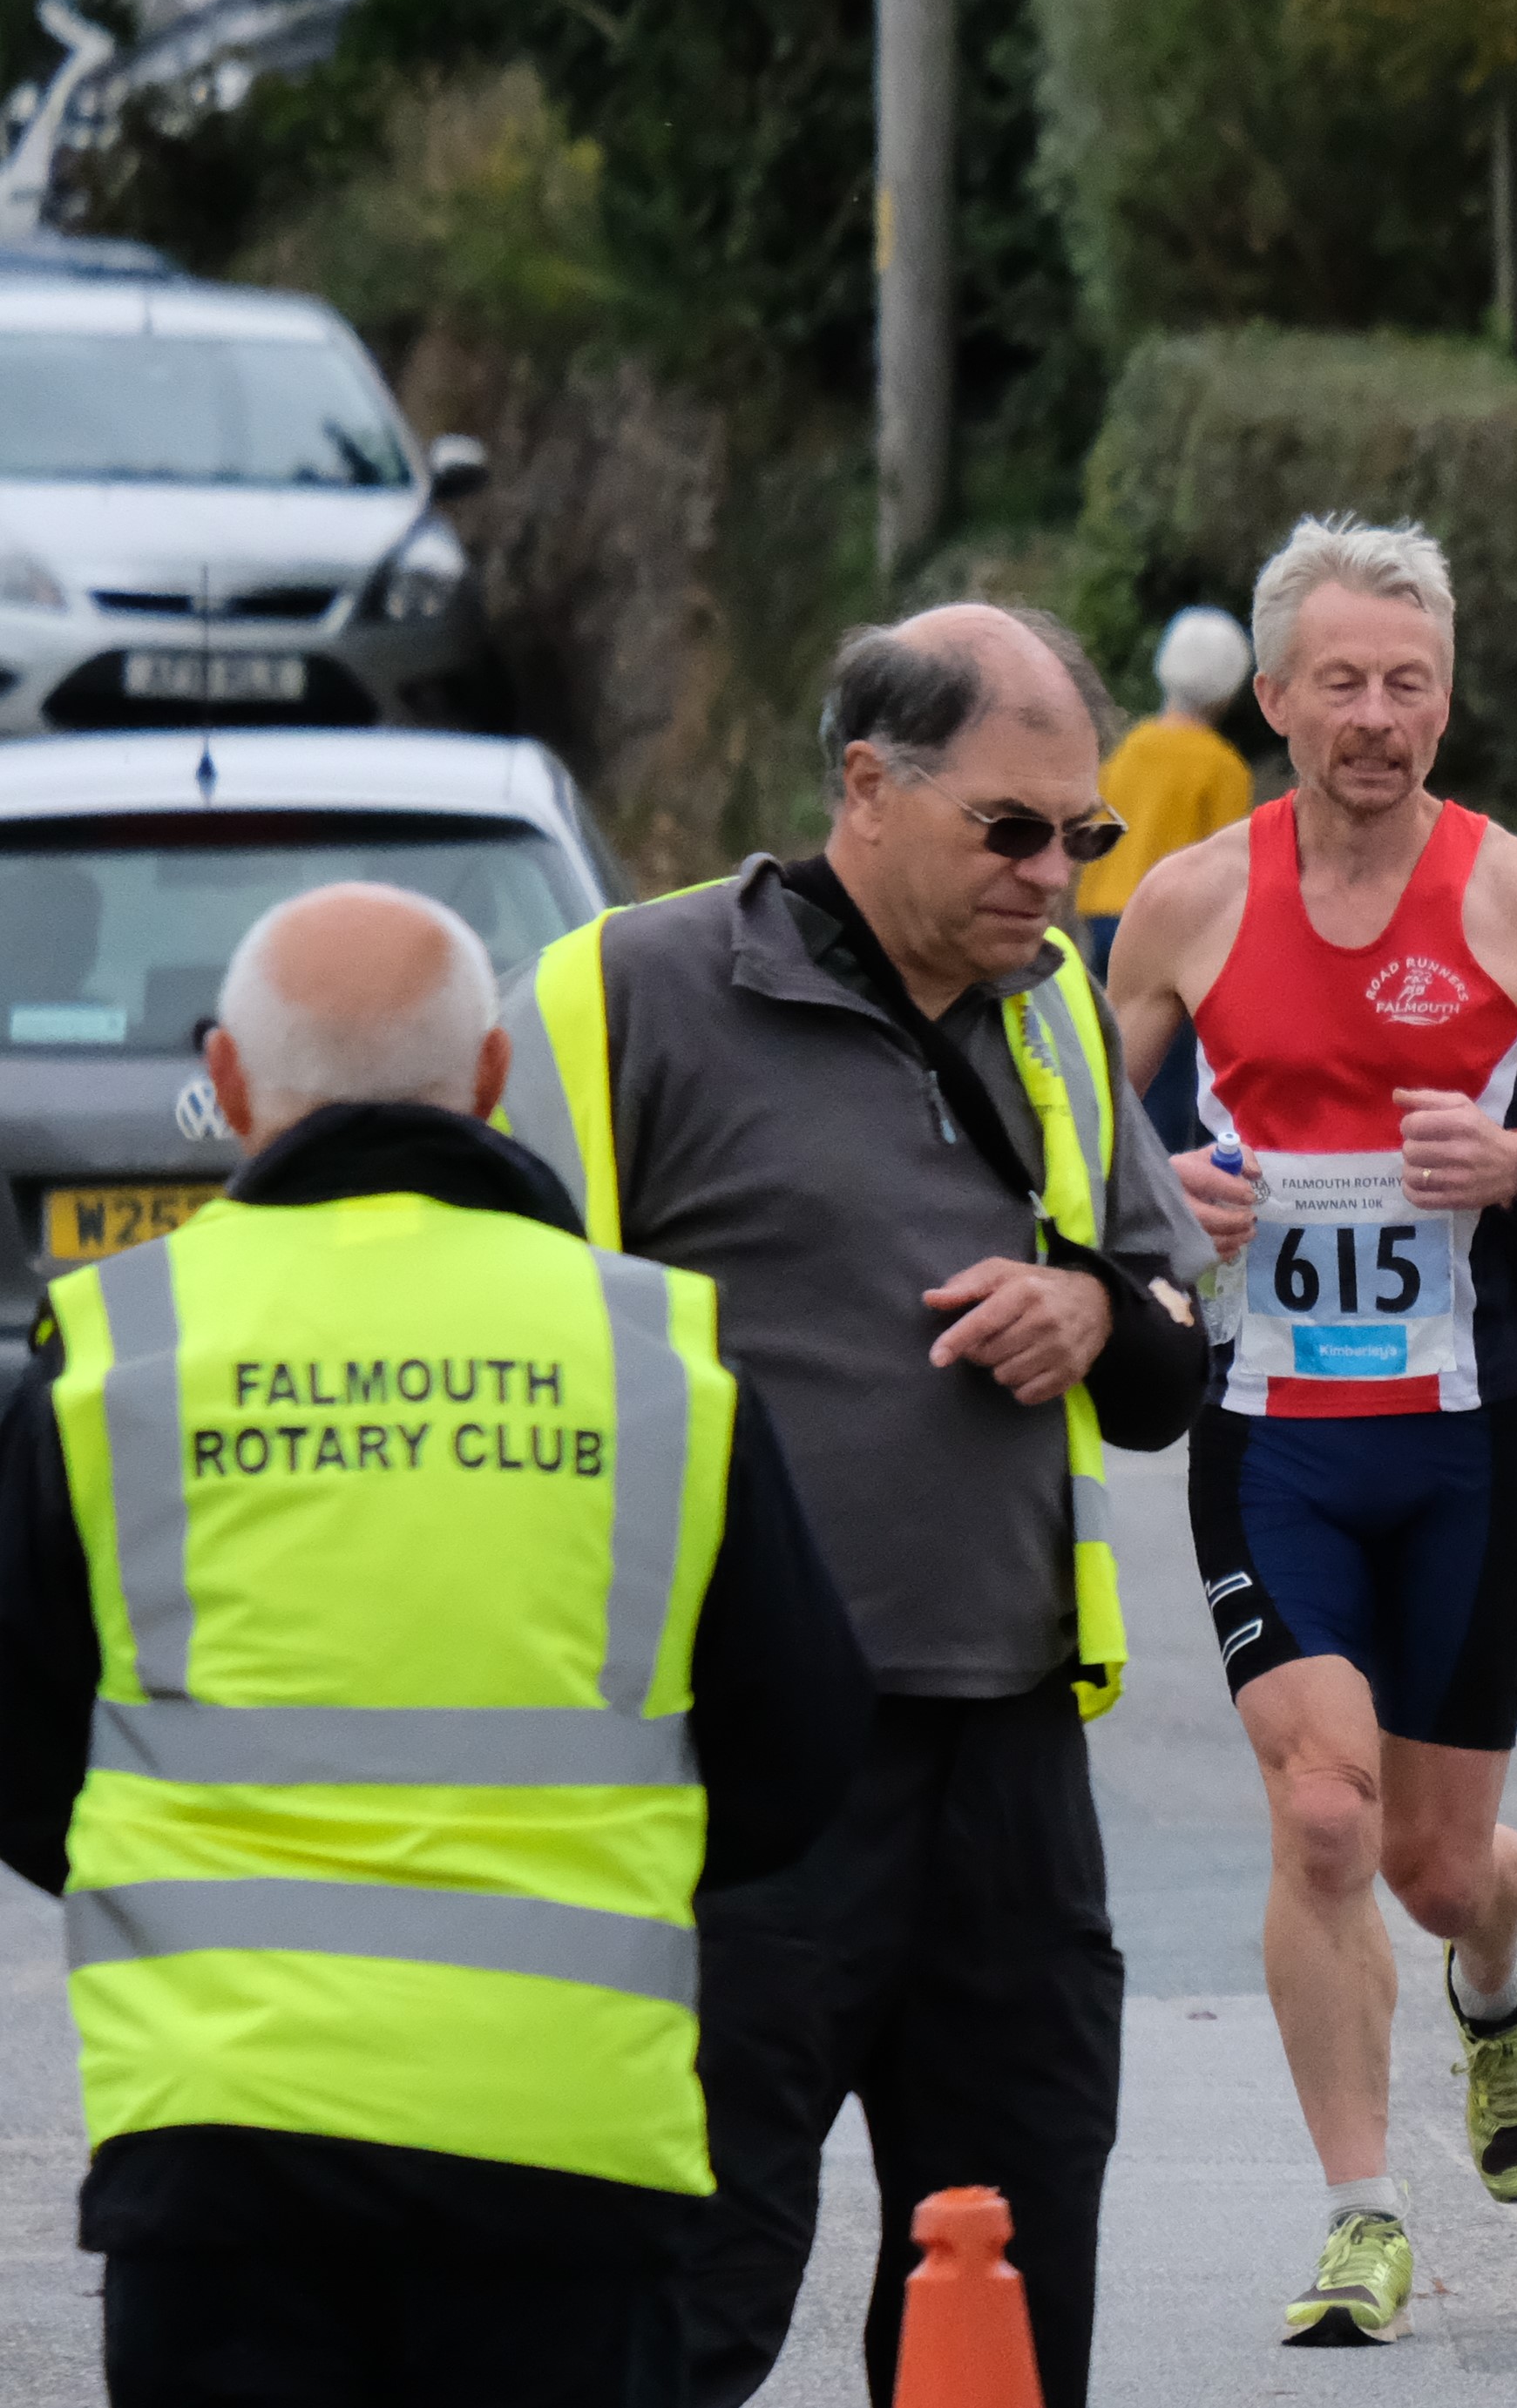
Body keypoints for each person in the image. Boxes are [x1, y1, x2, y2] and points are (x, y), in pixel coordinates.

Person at [0, 884, 871, 2407]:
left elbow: (17, 1751)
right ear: (489, 1074)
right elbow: (796, 1745)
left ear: (227, 1078)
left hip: (222, 2140)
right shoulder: (651, 1346)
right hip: (565, 2135)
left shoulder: (117, 1345)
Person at [492, 604, 1219, 2408]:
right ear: (869, 785)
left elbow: (1171, 1358)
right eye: (1011, 828)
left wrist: (1093, 1304)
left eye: (1084, 834)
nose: (1054, 874)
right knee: (689, 2284)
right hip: (733, 1768)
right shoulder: (623, 992)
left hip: (1009, 1766)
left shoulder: (1056, 1007)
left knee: (1006, 2283)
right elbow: (503, 1359)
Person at [1102, 514, 1517, 2350]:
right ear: (1276, 697)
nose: (1376, 715)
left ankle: (1495, 1977)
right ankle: (1361, 2212)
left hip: (1456, 1440)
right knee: (1324, 1814)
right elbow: (1071, 1134)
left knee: (1441, 1867)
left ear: (1446, 701)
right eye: (1343, 681)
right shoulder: (1190, 901)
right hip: (1267, 1429)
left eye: (1409, 683)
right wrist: (1161, 1201)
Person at [1076, 605, 1261, 1148]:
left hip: (1103, 917)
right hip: (1176, 934)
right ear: (1233, 684)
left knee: (1112, 1060)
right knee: (1170, 1076)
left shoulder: (1129, 748)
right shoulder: (1223, 766)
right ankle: (1162, 1179)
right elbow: (1229, 870)